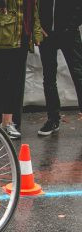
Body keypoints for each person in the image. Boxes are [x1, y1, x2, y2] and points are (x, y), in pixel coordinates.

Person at [0, 0, 43, 140]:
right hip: (2, 34)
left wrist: (36, 32)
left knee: (14, 82)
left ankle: (7, 123)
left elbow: (33, 10)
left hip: (22, 38)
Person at [37, 0, 82, 136]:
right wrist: (39, 25)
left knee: (79, 75)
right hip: (47, 35)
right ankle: (53, 119)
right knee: (49, 77)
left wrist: (71, 26)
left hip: (69, 33)